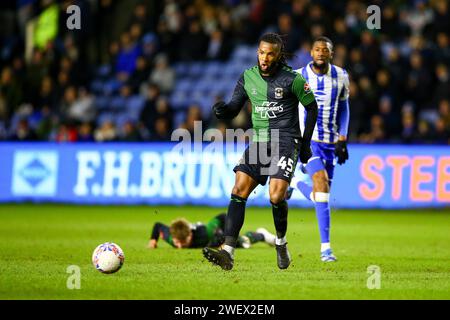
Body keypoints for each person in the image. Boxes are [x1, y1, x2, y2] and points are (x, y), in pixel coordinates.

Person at [202, 33, 318, 270]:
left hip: (286, 141)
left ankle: (281, 242)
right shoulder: (247, 78)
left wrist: (305, 144)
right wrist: (222, 111)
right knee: (238, 189)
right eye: (261, 52)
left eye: (270, 54)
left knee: (275, 196)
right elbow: (234, 108)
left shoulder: (292, 79)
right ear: (258, 52)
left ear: (278, 55)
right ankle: (228, 252)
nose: (265, 58)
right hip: (260, 142)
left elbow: (312, 108)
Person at [288, 36, 350, 262]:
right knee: (321, 181)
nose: (321, 53)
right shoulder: (298, 76)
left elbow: (344, 108)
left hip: (330, 143)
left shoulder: (342, 75)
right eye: (317, 49)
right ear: (311, 53)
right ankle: (326, 249)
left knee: (321, 195)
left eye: (325, 50)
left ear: (331, 54)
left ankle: (294, 183)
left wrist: (342, 139)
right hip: (308, 141)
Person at [147, 213, 276, 249]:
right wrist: (153, 240)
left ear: (190, 234)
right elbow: (158, 226)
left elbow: (223, 217)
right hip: (211, 242)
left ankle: (262, 235)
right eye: (177, 242)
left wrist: (227, 239)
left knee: (242, 243)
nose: (179, 247)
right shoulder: (170, 237)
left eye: (183, 242)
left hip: (217, 236)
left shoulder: (206, 231)